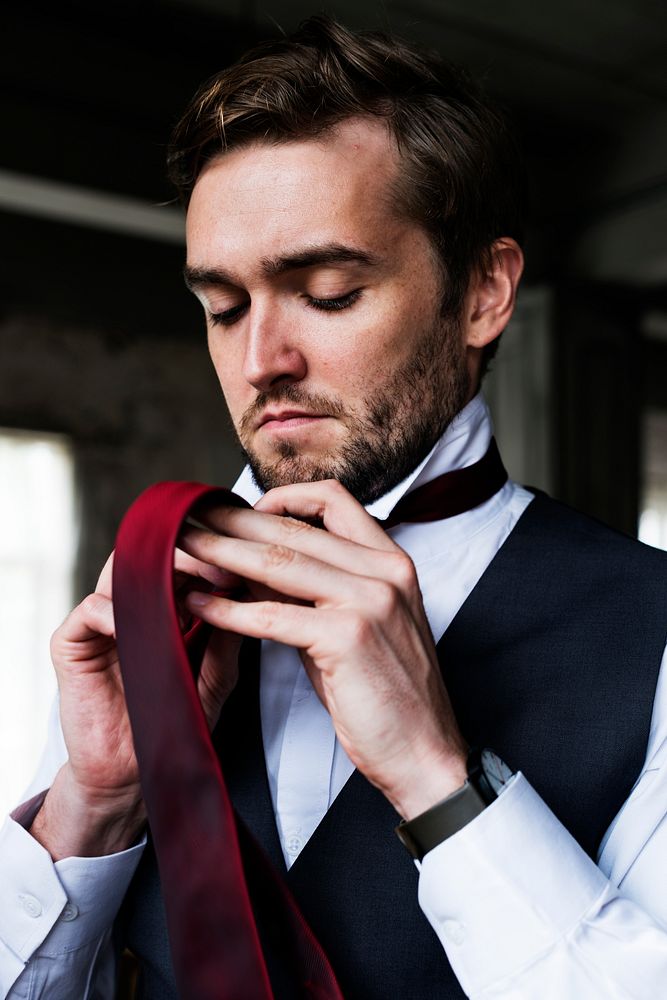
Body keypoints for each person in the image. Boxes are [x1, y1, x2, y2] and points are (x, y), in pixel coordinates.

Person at [1, 14, 667, 999]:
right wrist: (90, 809)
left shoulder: (650, 631)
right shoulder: (146, 594)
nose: (262, 359)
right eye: (224, 307)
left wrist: (441, 781)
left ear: (482, 293)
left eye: (326, 290)